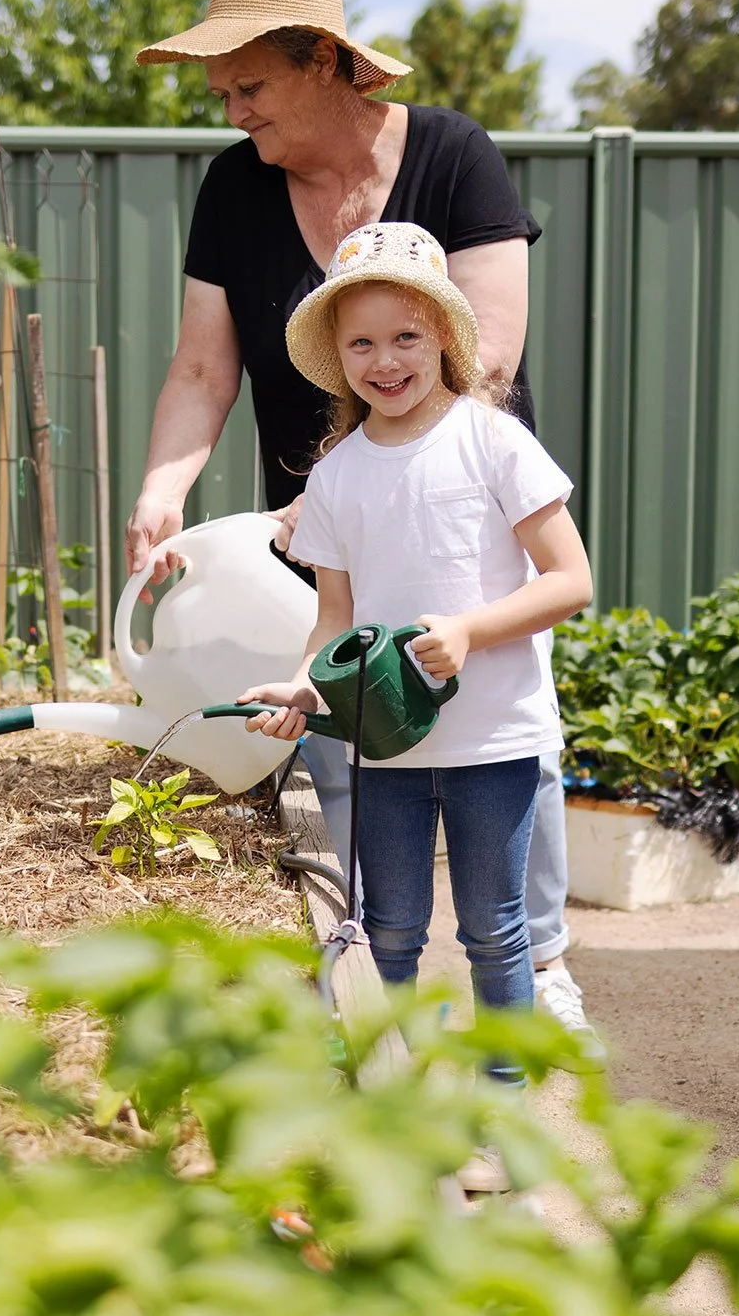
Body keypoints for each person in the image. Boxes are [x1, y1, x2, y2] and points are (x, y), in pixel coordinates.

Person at [125, 0, 591, 1037]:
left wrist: (364, 467)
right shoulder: (235, 187)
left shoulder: (455, 155)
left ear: (326, 61)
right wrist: (164, 486)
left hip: (464, 509)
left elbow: (490, 354)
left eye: (252, 88)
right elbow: (203, 367)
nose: (234, 113)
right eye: (223, 95)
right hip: (326, 526)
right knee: (345, 722)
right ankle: (366, 968)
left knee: (510, 735)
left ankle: (543, 961)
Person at [236, 223, 591, 1058]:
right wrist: (303, 689)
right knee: (388, 930)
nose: (385, 359)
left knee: (496, 933)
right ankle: (386, 1103)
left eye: (406, 335)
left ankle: (501, 1106)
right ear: (337, 353)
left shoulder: (495, 441)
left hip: (495, 739)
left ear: (442, 335)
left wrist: (469, 629)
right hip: (384, 744)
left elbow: (570, 580)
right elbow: (333, 624)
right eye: (361, 341)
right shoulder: (334, 478)